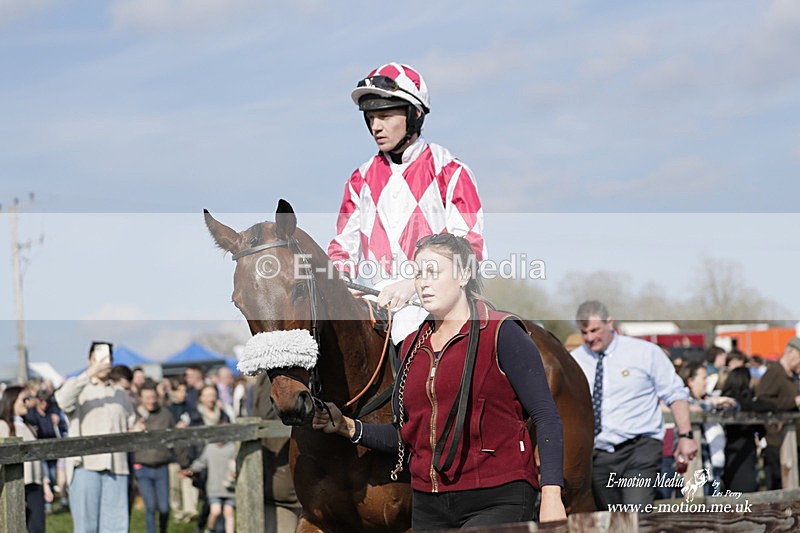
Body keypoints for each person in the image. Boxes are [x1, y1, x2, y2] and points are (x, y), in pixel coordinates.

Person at [313, 234, 565, 530]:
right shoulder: (411, 346)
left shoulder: (502, 333)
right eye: (418, 273)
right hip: (429, 504)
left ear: (463, 274)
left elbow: (546, 417)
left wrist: (551, 494)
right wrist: (347, 426)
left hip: (498, 497)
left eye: (433, 272)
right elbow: (409, 436)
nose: (423, 282)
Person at [327, 62, 486, 343]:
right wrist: (340, 285)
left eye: (386, 116)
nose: (376, 126)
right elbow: (342, 249)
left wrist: (415, 284)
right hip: (377, 303)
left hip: (439, 304)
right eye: (371, 117)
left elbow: (468, 249)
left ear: (415, 114)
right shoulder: (359, 179)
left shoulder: (451, 171)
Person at [570, 301, 698, 509]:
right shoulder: (575, 360)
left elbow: (675, 393)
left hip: (641, 448)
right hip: (599, 453)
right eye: (584, 332)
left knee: (635, 514)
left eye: (595, 330)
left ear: (609, 323)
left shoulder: (645, 353)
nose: (590, 337)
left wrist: (686, 436)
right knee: (610, 519)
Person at [54, 341, 135, 533]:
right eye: (98, 357)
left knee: (116, 526)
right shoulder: (79, 388)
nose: (103, 363)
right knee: (86, 526)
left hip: (117, 465)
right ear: (89, 360)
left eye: (108, 358)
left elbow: (130, 422)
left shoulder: (120, 393)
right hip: (85, 466)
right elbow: (62, 400)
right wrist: (89, 373)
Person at [131, 383, 189, 533]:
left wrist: (184, 464)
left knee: (164, 507)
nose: (151, 401)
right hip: (142, 467)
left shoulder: (165, 414)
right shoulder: (134, 416)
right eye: (147, 398)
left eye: (153, 397)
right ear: (140, 398)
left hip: (162, 466)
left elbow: (174, 440)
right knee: (150, 506)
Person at [678, 362, 737, 494]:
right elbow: (695, 408)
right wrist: (714, 403)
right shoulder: (684, 399)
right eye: (703, 378)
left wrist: (720, 402)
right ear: (691, 381)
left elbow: (735, 405)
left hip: (714, 470)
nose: (707, 382)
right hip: (697, 469)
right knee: (698, 510)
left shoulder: (708, 398)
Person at [1, 386, 51, 533]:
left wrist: (46, 482)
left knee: (38, 528)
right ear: (11, 401)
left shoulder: (28, 426)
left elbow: (39, 458)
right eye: (24, 399)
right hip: (12, 485)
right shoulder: (2, 426)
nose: (28, 403)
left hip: (34, 484)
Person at [754, 336, 800, 490]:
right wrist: (794, 401)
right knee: (780, 487)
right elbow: (762, 400)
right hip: (777, 441)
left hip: (792, 440)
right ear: (790, 352)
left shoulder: (792, 376)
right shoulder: (775, 371)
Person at [721, 366, 777, 492]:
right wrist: (770, 406)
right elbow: (749, 405)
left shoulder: (745, 399)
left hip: (746, 450)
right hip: (736, 451)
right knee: (742, 489)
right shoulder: (731, 399)